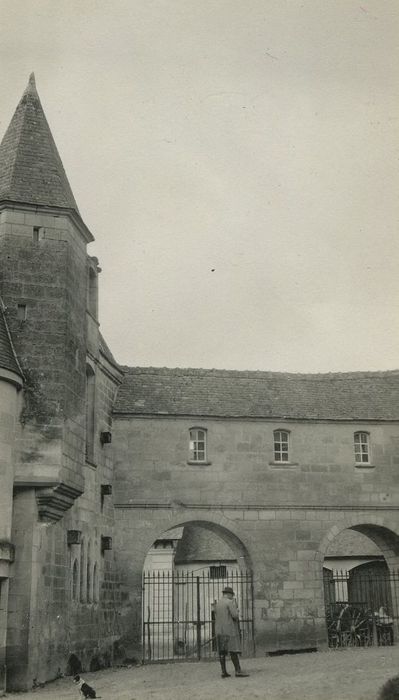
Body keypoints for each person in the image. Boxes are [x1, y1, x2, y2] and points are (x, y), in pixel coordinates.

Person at [214, 585, 249, 678]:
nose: (232, 596)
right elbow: (235, 615)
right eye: (232, 595)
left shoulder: (218, 603)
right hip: (229, 630)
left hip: (219, 630)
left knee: (222, 651)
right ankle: (238, 671)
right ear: (229, 594)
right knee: (233, 650)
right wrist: (237, 612)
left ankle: (224, 672)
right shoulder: (230, 602)